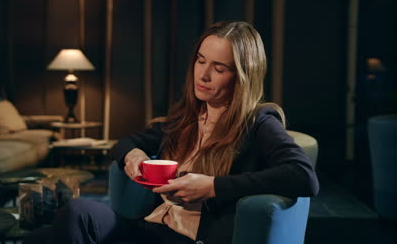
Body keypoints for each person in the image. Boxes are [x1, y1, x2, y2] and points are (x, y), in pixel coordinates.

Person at [25, 21, 319, 244]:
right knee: (76, 212)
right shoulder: (189, 116)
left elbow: (303, 176)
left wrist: (212, 186)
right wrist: (134, 154)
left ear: (242, 76)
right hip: (150, 227)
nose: (202, 75)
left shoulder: (259, 122)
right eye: (200, 60)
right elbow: (127, 142)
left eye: (218, 68)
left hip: (190, 238)